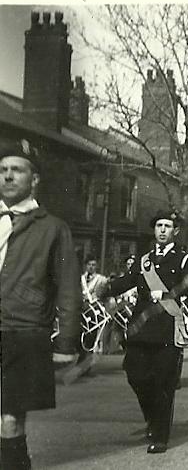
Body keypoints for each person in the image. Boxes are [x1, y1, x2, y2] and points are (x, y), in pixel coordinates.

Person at [0, 140, 82, 469]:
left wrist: (66, 344)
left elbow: (68, 290)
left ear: (34, 179)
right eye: (2, 170)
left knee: (9, 420)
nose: (7, 177)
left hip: (22, 333)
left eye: (16, 170)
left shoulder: (52, 228)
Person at [104, 210, 188, 454]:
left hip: (167, 327)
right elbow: (127, 281)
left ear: (175, 231)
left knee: (163, 383)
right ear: (154, 229)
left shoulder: (184, 259)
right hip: (141, 329)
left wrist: (169, 294)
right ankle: (152, 417)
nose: (163, 230)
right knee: (135, 375)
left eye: (168, 226)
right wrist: (103, 290)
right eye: (159, 225)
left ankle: (160, 435)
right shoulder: (144, 259)